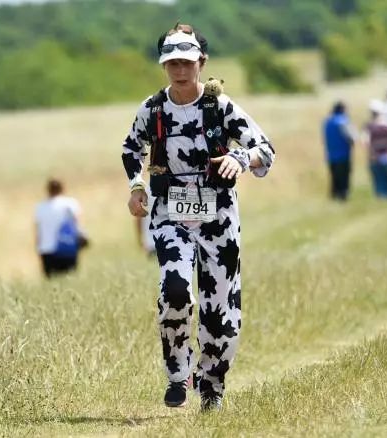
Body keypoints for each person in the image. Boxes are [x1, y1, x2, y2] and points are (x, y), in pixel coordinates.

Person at [121, 23, 275, 411]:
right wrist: (137, 186)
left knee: (219, 307)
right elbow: (129, 148)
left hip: (219, 217)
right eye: (172, 61)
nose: (180, 68)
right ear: (164, 65)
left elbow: (265, 149)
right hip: (170, 214)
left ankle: (213, 384)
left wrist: (239, 159)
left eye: (187, 61)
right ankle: (178, 373)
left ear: (201, 63)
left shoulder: (219, 106)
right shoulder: (153, 109)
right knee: (174, 289)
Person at [34, 178, 87, 278]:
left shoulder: (40, 207)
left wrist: (38, 248)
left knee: (51, 281)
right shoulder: (70, 204)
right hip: (67, 247)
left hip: (47, 250)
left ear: (48, 190)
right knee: (70, 278)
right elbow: (78, 225)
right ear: (62, 188)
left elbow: (38, 231)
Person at [363, 100, 387, 199]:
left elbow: (365, 142)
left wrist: (371, 153)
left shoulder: (369, 127)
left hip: (375, 159)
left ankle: (382, 204)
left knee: (378, 186)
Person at [322, 101, 355, 201]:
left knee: (334, 179)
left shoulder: (327, 122)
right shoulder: (343, 121)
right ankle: (343, 198)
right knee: (343, 180)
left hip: (331, 155)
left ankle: (334, 198)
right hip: (343, 155)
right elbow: (351, 137)